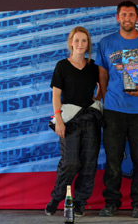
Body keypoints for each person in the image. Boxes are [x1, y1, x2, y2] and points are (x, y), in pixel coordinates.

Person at [95, 1, 138, 218]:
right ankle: (111, 202)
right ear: (117, 17)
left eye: (131, 15)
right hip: (114, 110)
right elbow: (102, 74)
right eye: (123, 14)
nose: (127, 18)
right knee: (113, 158)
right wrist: (107, 98)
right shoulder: (106, 43)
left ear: (137, 18)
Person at [45, 26, 101, 218]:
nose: (80, 44)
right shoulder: (62, 65)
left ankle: (80, 202)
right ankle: (56, 197)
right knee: (70, 162)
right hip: (69, 120)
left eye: (84, 41)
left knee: (89, 164)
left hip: (90, 121)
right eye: (76, 40)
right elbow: (56, 95)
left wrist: (98, 98)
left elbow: (102, 88)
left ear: (88, 44)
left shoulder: (94, 66)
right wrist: (58, 118)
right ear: (70, 43)